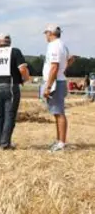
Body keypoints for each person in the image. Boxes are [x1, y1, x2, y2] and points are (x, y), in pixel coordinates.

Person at [41, 24, 74, 152]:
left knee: (59, 113)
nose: (45, 36)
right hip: (59, 80)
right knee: (56, 112)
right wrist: (63, 71)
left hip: (55, 82)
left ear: (50, 33)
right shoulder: (62, 45)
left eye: (46, 33)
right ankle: (59, 140)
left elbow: (54, 67)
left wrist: (48, 86)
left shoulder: (54, 46)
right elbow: (70, 59)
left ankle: (61, 143)